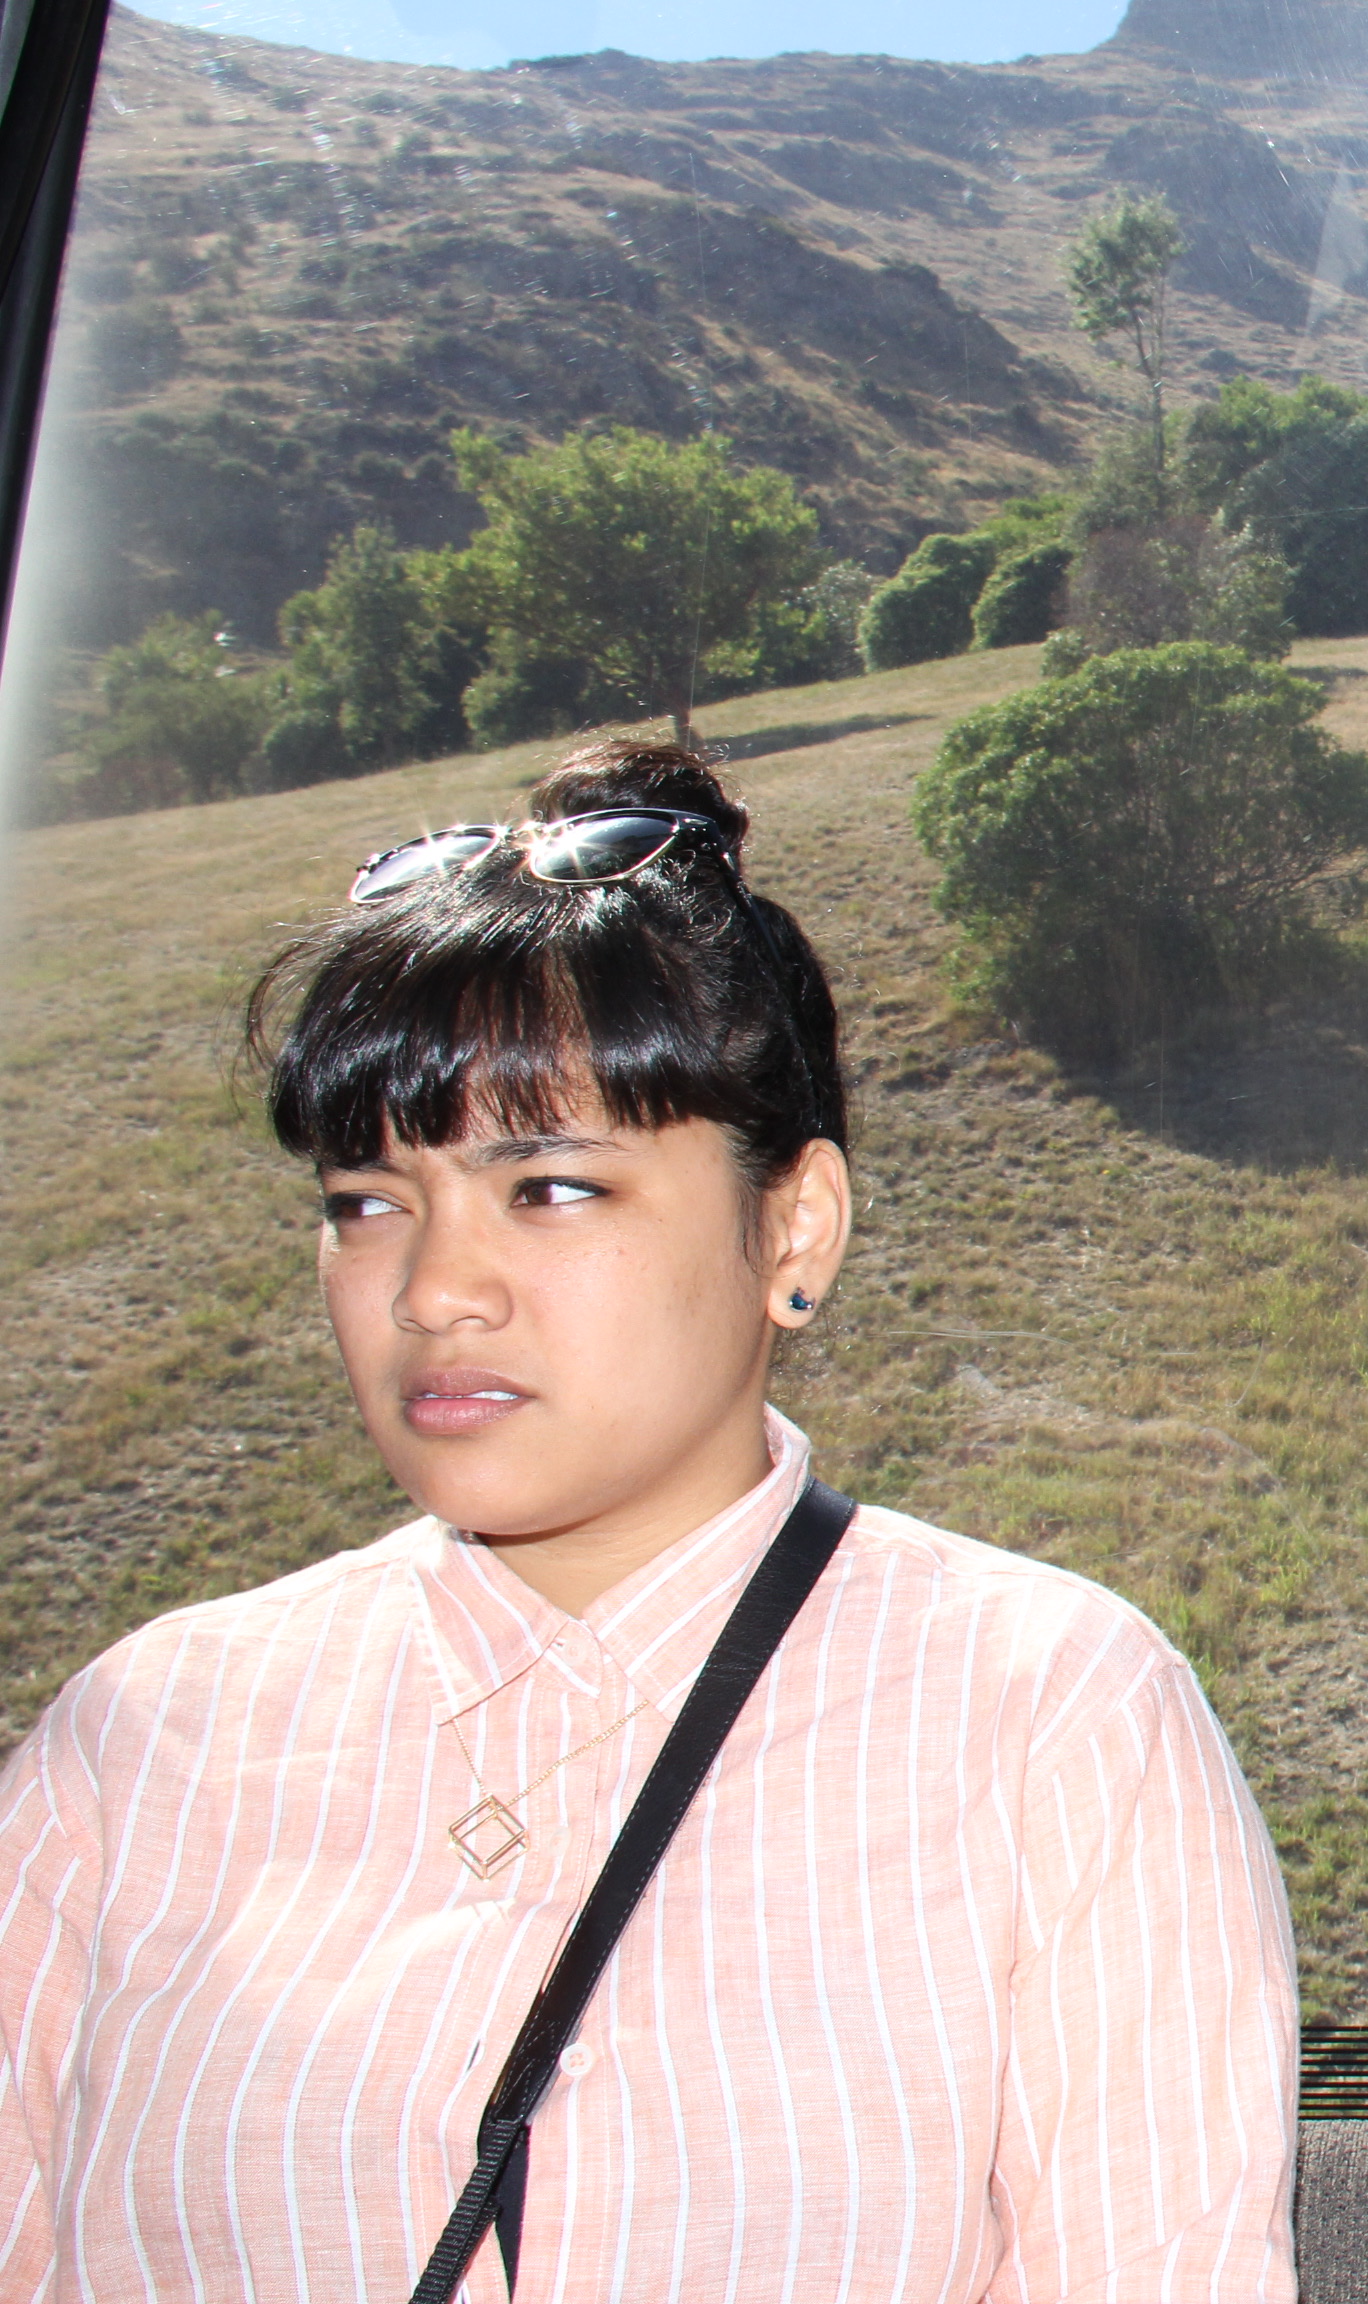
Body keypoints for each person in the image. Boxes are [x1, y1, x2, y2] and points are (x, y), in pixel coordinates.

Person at [0, 742, 1298, 2301]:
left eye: (550, 1188)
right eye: (367, 1203)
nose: (432, 1291)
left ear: (795, 1228)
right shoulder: (132, 1753)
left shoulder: (1053, 1724)